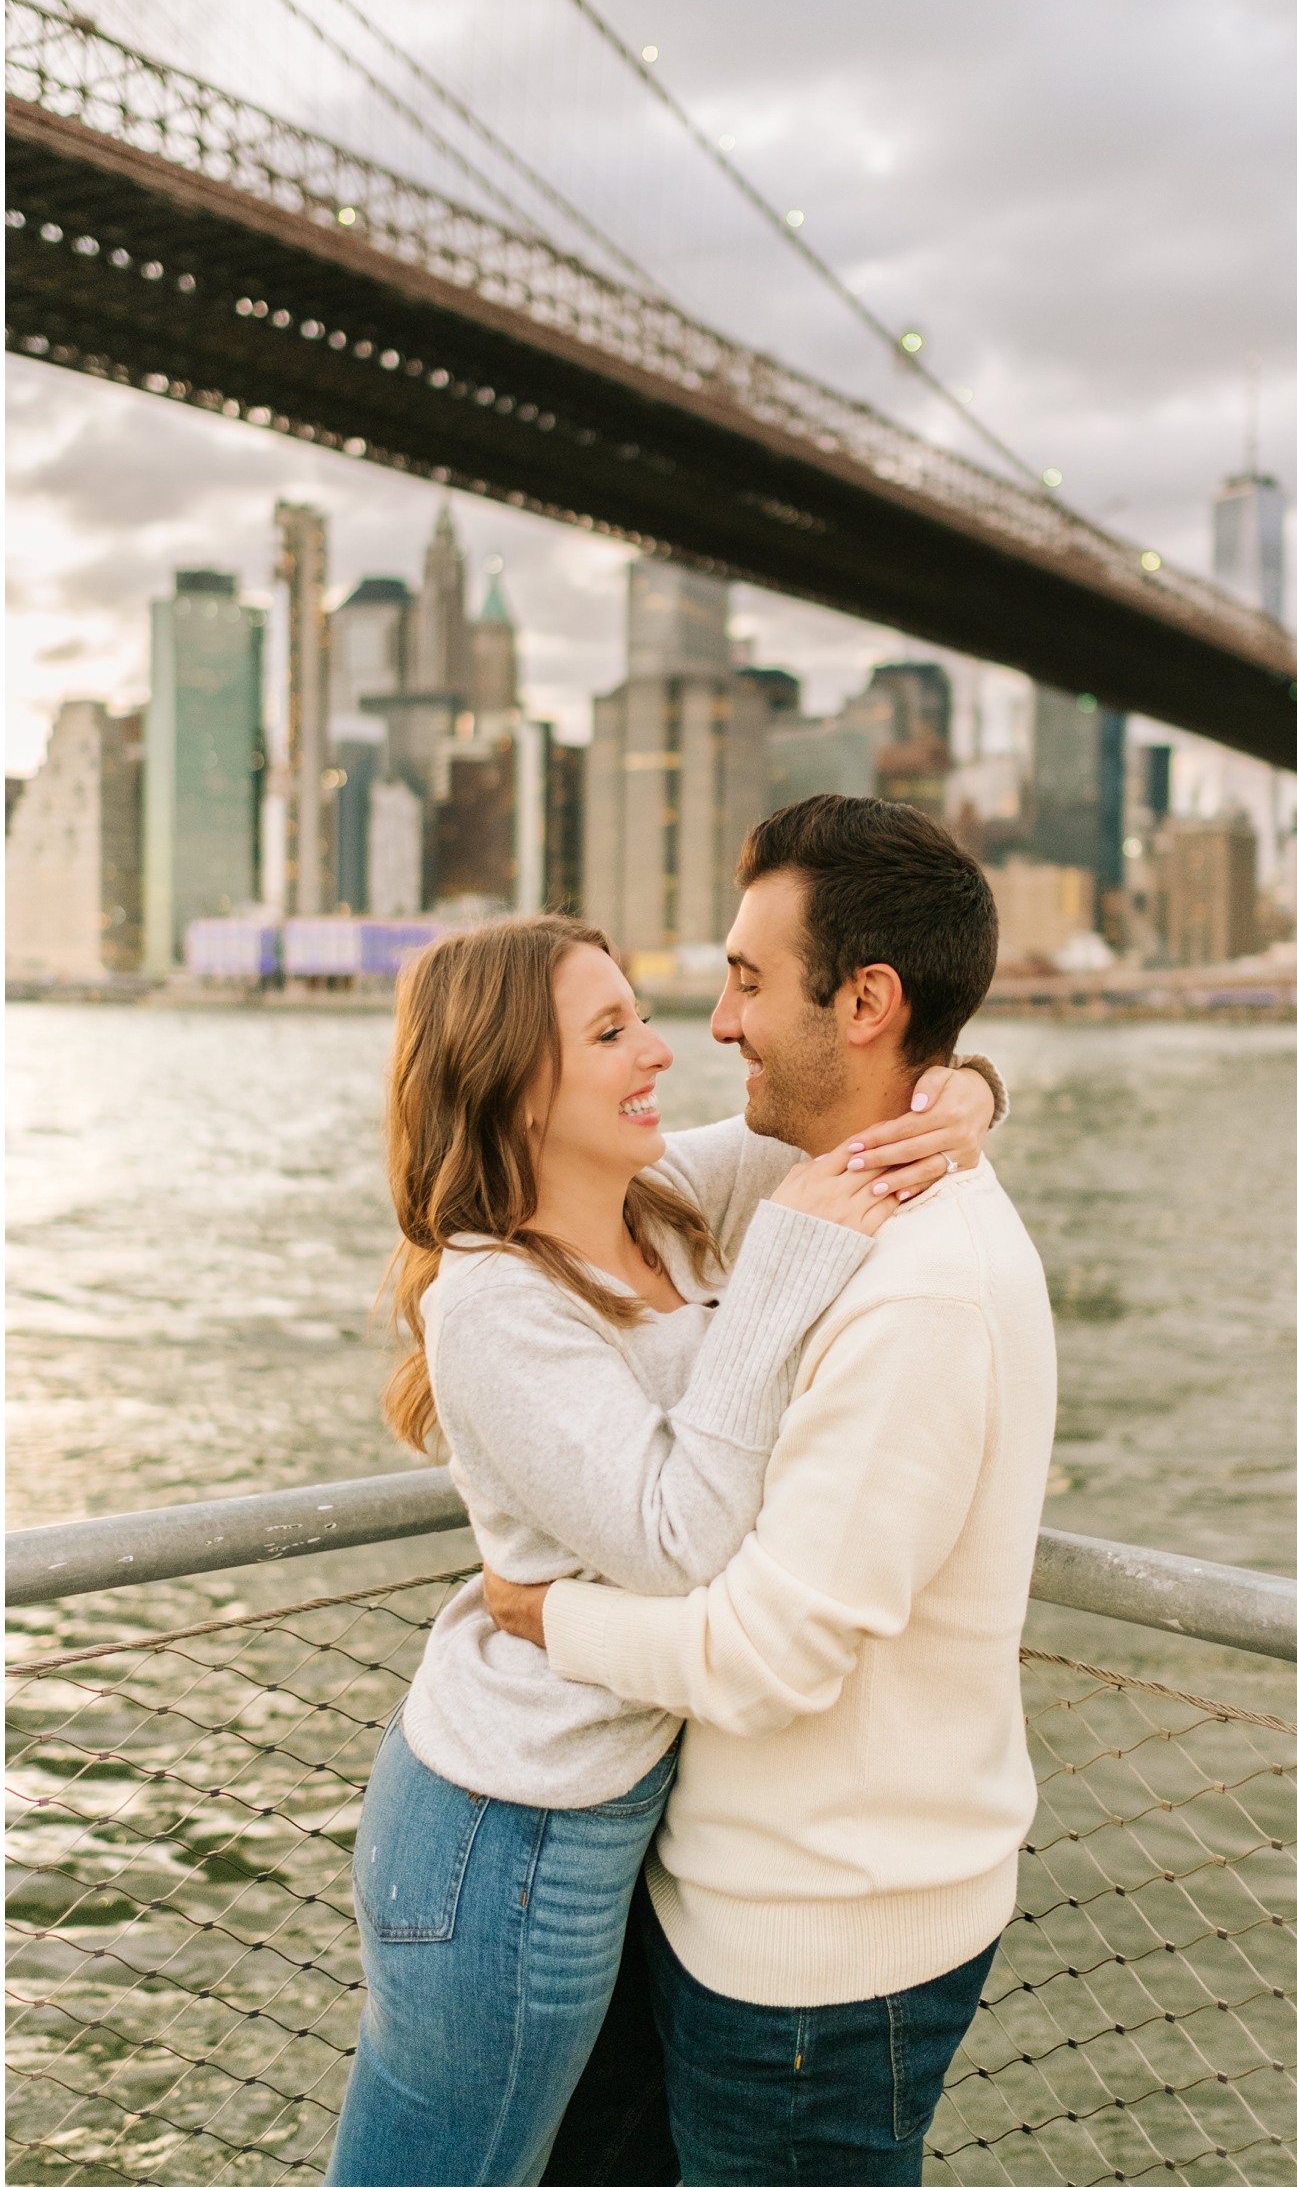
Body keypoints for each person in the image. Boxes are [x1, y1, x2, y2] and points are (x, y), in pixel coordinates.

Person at [324, 908, 1002, 2188]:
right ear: (515, 1085)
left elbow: (856, 1133)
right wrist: (794, 1258)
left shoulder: (670, 1201)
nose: (662, 1051)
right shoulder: (492, 1300)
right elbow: (678, 1542)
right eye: (611, 1030)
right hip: (502, 1839)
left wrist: (964, 1093)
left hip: (605, 1826)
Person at [485, 796, 1058, 2188]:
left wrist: (532, 1612)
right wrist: (966, 1086)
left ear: (865, 1002)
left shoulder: (924, 1292)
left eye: (748, 979)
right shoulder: (821, 1184)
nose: (719, 1022)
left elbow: (770, 1650)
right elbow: (555, 1190)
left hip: (818, 1962)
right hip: (730, 1903)